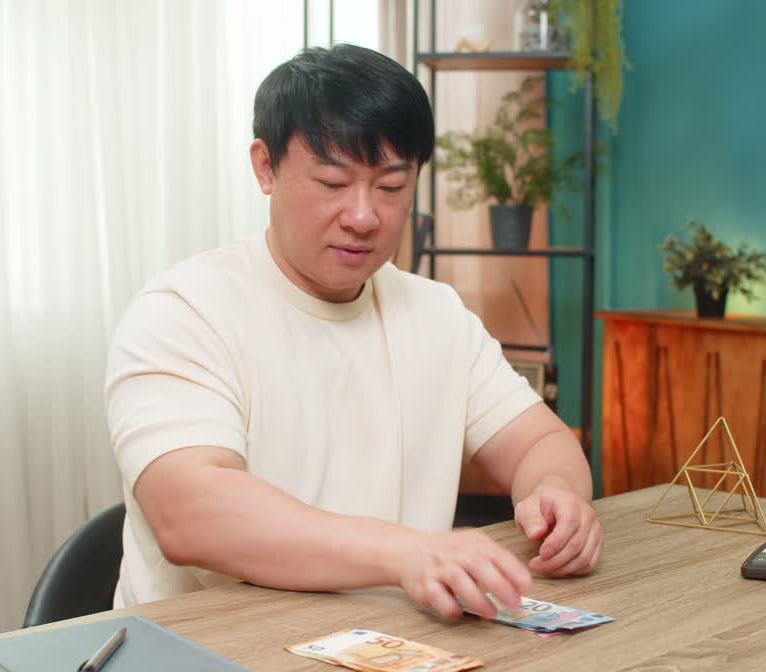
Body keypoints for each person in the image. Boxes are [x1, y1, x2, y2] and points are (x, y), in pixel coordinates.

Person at [104, 43, 602, 620]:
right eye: (333, 182)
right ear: (265, 167)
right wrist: (405, 552)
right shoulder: (184, 311)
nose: (364, 216)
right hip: (206, 660)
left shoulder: (435, 314)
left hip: (388, 648)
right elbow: (190, 513)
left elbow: (541, 442)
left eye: (391, 188)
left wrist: (557, 495)